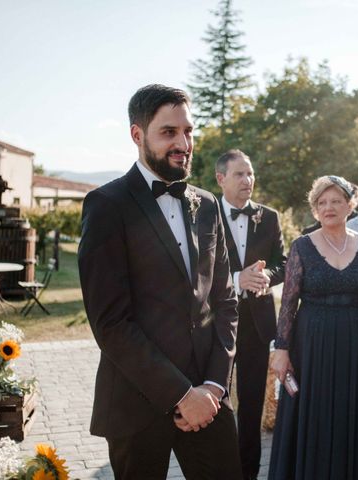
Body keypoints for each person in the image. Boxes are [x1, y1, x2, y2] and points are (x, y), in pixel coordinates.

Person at [78, 85, 242, 479]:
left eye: (188, 131)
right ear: (138, 135)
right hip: (136, 403)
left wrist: (214, 388)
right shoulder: (106, 206)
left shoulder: (207, 206)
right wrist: (181, 395)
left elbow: (225, 302)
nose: (183, 143)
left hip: (209, 398)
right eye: (169, 132)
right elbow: (111, 324)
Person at [268, 175, 358, 479]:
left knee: (348, 414)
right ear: (314, 209)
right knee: (313, 414)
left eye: (336, 200)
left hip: (356, 344)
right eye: (322, 202)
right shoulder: (302, 247)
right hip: (312, 343)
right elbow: (288, 302)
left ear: (350, 206)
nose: (329, 207)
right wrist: (281, 349)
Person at [215, 149, 286, 480]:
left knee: (253, 404)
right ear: (221, 179)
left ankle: (248, 474)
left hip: (257, 325)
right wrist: (235, 279)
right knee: (215, 401)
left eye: (250, 173)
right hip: (213, 325)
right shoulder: (204, 214)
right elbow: (194, 270)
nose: (248, 180)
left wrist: (267, 276)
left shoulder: (268, 217)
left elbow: (282, 262)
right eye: (240, 174)